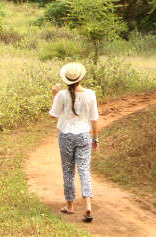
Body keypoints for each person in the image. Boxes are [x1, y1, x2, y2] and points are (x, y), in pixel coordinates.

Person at [49, 62, 99, 222]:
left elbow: (54, 114)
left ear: (66, 80)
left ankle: (70, 206)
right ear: (80, 78)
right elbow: (94, 118)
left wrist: (54, 95)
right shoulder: (91, 94)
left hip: (66, 135)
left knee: (68, 170)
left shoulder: (62, 95)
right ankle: (88, 206)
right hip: (84, 135)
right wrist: (95, 138)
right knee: (84, 170)